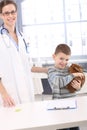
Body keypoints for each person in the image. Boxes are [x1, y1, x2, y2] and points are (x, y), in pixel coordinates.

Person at [0, 0, 47, 107]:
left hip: (27, 92)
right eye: (6, 13)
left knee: (29, 120)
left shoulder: (23, 37)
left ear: (17, 13)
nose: (11, 16)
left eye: (13, 12)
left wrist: (47, 70)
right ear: (1, 15)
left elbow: (28, 66)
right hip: (8, 95)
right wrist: (4, 93)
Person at [48, 44, 84, 130]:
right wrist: (73, 75)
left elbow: (73, 88)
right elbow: (58, 82)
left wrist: (78, 87)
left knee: (74, 127)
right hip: (59, 107)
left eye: (67, 59)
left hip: (72, 105)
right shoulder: (51, 71)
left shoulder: (70, 70)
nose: (64, 62)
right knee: (63, 128)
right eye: (61, 58)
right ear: (54, 56)